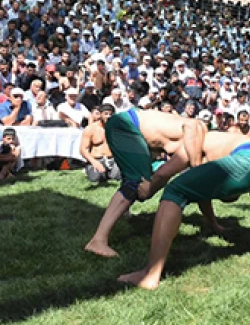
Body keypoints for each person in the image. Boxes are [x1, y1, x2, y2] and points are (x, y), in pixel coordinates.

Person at [118, 131, 250, 290]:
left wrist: (146, 191)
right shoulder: (214, 135)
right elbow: (204, 190)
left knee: (175, 190)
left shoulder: (191, 140)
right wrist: (212, 224)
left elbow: (163, 175)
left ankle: (151, 274)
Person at [84, 108, 207, 258]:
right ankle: (98, 241)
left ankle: (106, 231)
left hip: (131, 127)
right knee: (135, 183)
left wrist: (213, 225)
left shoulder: (195, 141)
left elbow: (164, 174)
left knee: (139, 184)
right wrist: (197, 167)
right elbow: (192, 125)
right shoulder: (198, 131)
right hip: (126, 125)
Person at [81, 104, 120, 184]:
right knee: (97, 178)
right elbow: (83, 149)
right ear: (100, 114)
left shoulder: (117, 129)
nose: (108, 116)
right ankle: (92, 170)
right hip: (97, 160)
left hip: (112, 159)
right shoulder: (91, 129)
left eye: (111, 114)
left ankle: (111, 173)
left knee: (119, 177)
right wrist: (94, 162)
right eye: (106, 114)